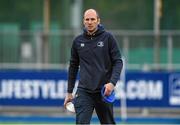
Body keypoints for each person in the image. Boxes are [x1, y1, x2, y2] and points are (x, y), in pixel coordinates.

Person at [64, 8, 123, 124]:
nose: (90, 22)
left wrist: (112, 83)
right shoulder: (77, 41)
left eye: (92, 19)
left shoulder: (108, 38)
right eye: (87, 19)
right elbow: (73, 67)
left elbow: (118, 62)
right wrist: (69, 92)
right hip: (84, 91)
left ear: (98, 21)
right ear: (83, 21)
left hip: (103, 91)